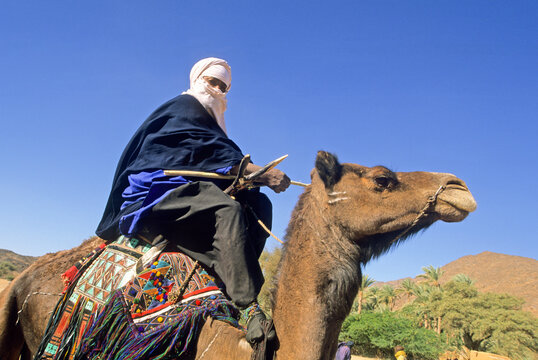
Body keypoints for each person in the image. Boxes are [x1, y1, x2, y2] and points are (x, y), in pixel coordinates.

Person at [95, 57, 290, 344]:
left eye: (224, 87)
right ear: (198, 79)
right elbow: (208, 156)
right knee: (228, 208)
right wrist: (259, 173)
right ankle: (247, 306)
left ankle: (228, 278)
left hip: (191, 191)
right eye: (213, 82)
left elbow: (215, 160)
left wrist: (248, 179)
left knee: (259, 206)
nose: (217, 91)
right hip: (156, 192)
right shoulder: (182, 109)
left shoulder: (210, 124)